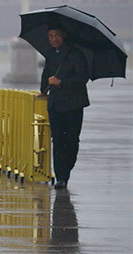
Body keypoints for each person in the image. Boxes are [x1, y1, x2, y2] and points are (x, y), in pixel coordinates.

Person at [37, 24, 89, 190]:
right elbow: (46, 77)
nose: (54, 39)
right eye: (51, 36)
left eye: (57, 36)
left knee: (72, 140)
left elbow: (82, 77)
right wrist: (43, 90)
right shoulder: (50, 54)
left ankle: (66, 169)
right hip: (56, 105)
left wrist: (62, 82)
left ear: (64, 35)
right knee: (58, 141)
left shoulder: (75, 54)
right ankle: (61, 177)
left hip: (73, 105)